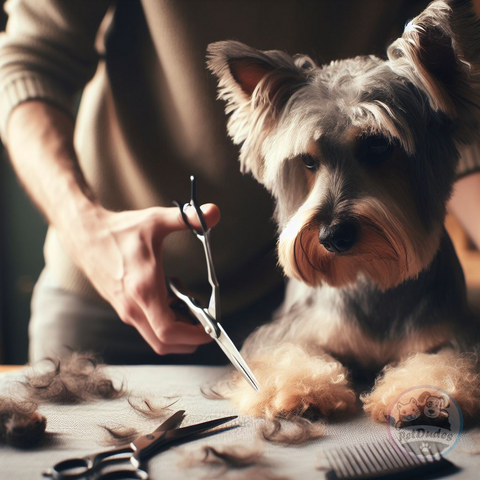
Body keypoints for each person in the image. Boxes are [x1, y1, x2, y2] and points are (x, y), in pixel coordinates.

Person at [0, 0, 479, 364]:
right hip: (112, 284)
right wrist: (89, 232)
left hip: (297, 297)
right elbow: (27, 62)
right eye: (309, 163)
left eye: (374, 149)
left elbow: (450, 121)